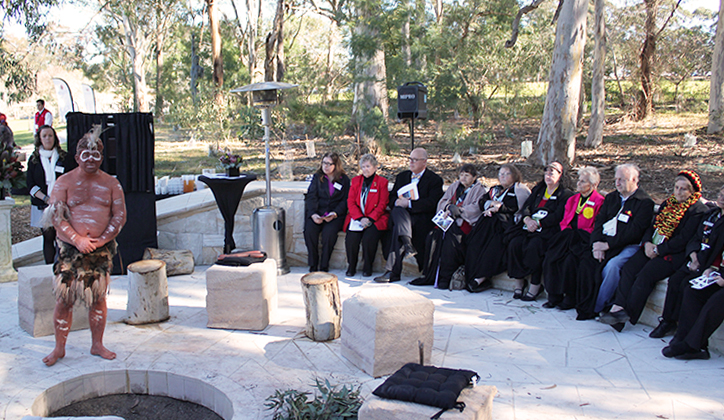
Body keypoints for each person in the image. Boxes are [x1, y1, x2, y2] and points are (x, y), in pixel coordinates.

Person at [42, 126, 127, 367]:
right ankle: (59, 348)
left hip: (100, 249)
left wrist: (101, 240)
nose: (91, 159)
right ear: (77, 157)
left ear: (102, 157)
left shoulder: (112, 184)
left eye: (96, 155)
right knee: (64, 298)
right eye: (85, 155)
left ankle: (97, 344)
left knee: (97, 297)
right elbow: (56, 217)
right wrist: (77, 239)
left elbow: (119, 216)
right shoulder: (64, 182)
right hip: (70, 248)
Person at [599, 171, 707, 331]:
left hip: (672, 254)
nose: (678, 191)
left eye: (683, 189)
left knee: (646, 275)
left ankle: (627, 314)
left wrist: (659, 249)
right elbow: (652, 226)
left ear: (692, 192)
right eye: (676, 187)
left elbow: (684, 239)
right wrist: (648, 243)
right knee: (629, 269)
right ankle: (617, 308)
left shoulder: (697, 210)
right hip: (652, 247)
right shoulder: (668, 204)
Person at [575, 164, 654, 320]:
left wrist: (608, 245)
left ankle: (598, 307)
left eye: (622, 180)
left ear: (634, 180)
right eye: (616, 179)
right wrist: (596, 244)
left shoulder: (644, 202)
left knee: (612, 266)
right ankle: (581, 302)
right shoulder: (611, 198)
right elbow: (599, 221)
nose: (617, 183)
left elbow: (634, 232)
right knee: (584, 261)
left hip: (629, 246)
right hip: (603, 243)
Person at [649, 185, 724, 339]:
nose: (721, 198)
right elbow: (696, 238)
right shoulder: (711, 215)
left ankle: (682, 331)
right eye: (721, 194)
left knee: (687, 285)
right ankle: (667, 321)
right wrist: (693, 255)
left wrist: (704, 265)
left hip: (709, 266)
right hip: (696, 259)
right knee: (676, 280)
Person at [410, 164, 486, 288]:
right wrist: (448, 207)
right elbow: (443, 201)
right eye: (461, 175)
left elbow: (476, 207)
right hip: (447, 219)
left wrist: (459, 210)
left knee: (450, 242)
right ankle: (429, 275)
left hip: (463, 223)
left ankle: (445, 277)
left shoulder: (479, 190)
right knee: (432, 237)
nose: (463, 178)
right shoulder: (454, 186)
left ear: (474, 177)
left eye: (467, 175)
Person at [374, 148, 443, 283]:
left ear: (424, 162)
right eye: (410, 159)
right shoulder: (402, 176)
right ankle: (407, 243)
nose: (411, 163)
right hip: (402, 215)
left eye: (415, 160)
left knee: (397, 230)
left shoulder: (434, 180)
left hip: (421, 218)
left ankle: (392, 272)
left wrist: (409, 204)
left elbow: (432, 203)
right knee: (397, 211)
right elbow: (392, 197)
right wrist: (398, 202)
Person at [506, 161, 573, 301]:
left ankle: (535, 285)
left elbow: (558, 216)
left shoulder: (565, 194)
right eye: (546, 172)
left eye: (552, 172)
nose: (548, 175)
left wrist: (538, 223)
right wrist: (527, 220)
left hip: (547, 230)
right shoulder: (538, 190)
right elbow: (526, 207)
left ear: (560, 175)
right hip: (529, 227)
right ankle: (519, 281)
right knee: (514, 244)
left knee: (534, 247)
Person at [541, 167, 605, 309]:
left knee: (570, 261)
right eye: (579, 181)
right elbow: (564, 221)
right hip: (567, 236)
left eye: (583, 182)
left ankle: (569, 297)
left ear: (593, 185)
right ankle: (554, 296)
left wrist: (577, 235)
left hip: (583, 239)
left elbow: (596, 225)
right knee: (552, 257)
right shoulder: (572, 199)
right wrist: (568, 233)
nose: (579, 184)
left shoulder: (600, 201)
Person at [464, 164, 530, 292]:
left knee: (494, 247)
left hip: (505, 226)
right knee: (474, 242)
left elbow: (516, 207)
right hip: (487, 224)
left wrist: (499, 208)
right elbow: (482, 201)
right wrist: (491, 205)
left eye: (507, 174)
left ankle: (481, 277)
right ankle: (471, 275)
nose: (503, 177)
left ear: (514, 175)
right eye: (501, 174)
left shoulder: (519, 189)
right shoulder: (495, 190)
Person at [303, 152, 350, 272]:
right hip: (317, 213)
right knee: (309, 231)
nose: (326, 166)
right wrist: (313, 214)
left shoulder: (343, 179)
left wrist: (335, 213)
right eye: (324, 163)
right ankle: (313, 264)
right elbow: (311, 196)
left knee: (329, 234)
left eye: (329, 164)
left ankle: (324, 265)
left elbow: (345, 200)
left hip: (334, 215)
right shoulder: (317, 177)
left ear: (336, 165)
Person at [344, 154, 389, 277]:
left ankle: (367, 266)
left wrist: (370, 218)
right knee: (351, 238)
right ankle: (351, 266)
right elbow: (351, 201)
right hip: (358, 218)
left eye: (368, 166)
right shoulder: (355, 181)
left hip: (375, 219)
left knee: (369, 238)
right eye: (363, 167)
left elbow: (382, 203)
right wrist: (359, 218)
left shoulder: (382, 182)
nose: (365, 169)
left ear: (375, 167)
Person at [27, 125, 67, 264]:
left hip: (62, 205)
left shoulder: (63, 157)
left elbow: (69, 179)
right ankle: (49, 268)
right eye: (44, 136)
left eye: (50, 135)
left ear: (54, 138)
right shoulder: (34, 160)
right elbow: (30, 184)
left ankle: (63, 268)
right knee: (48, 237)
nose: (47, 139)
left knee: (63, 238)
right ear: (40, 139)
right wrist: (46, 199)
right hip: (43, 205)